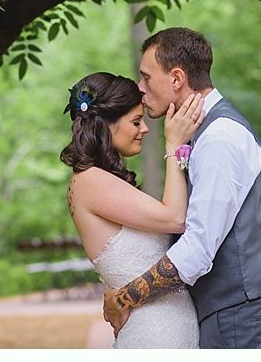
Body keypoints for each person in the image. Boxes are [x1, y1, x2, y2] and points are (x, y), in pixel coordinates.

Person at [102, 27, 261, 348]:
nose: (140, 88)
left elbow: (198, 249)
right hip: (232, 316)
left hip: (244, 319)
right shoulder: (200, 134)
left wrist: (124, 298)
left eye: (147, 77)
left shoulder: (219, 138)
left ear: (177, 78)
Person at [60, 71, 205, 348]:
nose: (145, 129)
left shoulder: (98, 180)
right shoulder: (89, 180)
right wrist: (174, 147)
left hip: (166, 328)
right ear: (105, 126)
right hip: (154, 334)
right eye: (136, 121)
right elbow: (175, 218)